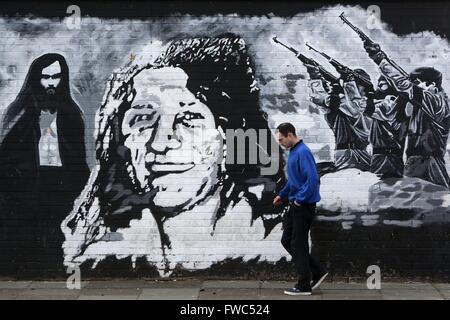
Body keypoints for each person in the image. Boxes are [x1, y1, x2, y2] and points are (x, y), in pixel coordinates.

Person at [62, 35, 288, 276]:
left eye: (188, 119)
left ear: (226, 135)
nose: (161, 143)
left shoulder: (271, 240)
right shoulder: (102, 250)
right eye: (144, 118)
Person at [0, 53, 89, 275]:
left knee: (56, 236)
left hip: (61, 185)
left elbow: (77, 157)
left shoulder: (70, 114)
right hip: (27, 185)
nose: (51, 83)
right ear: (35, 78)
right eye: (45, 77)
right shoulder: (21, 113)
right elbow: (7, 155)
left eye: (56, 77)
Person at [364, 42, 450, 188]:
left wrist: (380, 59)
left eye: (418, 82)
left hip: (424, 161)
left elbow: (404, 84)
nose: (414, 86)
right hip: (425, 160)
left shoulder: (435, 100)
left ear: (432, 85)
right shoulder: (428, 104)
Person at [273, 122, 328, 296]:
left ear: (290, 135)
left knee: (298, 244)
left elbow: (312, 180)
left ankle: (304, 285)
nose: (280, 142)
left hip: (303, 206)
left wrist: (300, 200)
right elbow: (295, 180)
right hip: (295, 204)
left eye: (282, 139)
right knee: (287, 240)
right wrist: (282, 194)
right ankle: (318, 270)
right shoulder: (294, 152)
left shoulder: (302, 152)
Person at [307, 66, 371, 175]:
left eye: (357, 84)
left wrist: (344, 85)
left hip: (361, 152)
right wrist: (315, 78)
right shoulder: (342, 104)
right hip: (344, 152)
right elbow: (321, 99)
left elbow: (352, 108)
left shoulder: (365, 105)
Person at [363, 76, 409, 178]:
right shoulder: (386, 102)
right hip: (381, 155)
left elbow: (370, 110)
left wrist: (370, 96)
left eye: (382, 84)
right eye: (378, 84)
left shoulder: (392, 102)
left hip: (389, 156)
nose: (378, 87)